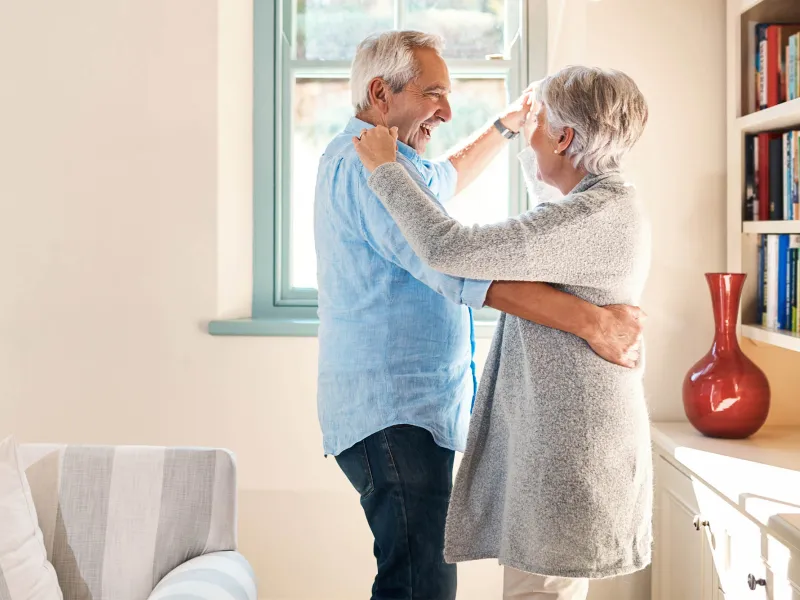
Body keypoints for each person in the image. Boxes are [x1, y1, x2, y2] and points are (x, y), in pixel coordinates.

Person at [316, 30, 645, 600]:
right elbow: (454, 266)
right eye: (434, 93)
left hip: (416, 410)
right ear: (381, 92)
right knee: (420, 586)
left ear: (565, 136)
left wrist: (502, 128)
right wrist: (590, 321)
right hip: (393, 412)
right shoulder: (369, 170)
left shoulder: (395, 162)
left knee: (423, 579)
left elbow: (442, 182)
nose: (446, 111)